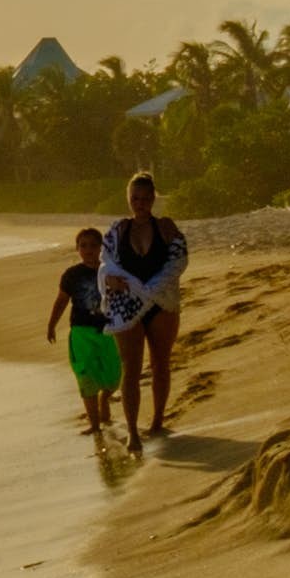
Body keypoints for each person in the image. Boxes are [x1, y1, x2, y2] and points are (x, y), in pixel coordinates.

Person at [100, 172, 187, 453]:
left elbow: (179, 261)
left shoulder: (165, 227)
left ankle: (158, 421)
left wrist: (150, 290)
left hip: (162, 303)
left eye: (145, 198)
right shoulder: (117, 231)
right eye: (135, 198)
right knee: (131, 369)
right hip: (126, 305)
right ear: (129, 199)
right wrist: (107, 280)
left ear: (153, 198)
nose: (140, 203)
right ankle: (133, 433)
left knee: (160, 362)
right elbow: (105, 265)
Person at [45, 226, 120, 435]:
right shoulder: (72, 275)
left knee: (114, 377)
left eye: (93, 245)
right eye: (83, 246)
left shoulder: (110, 270)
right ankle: (94, 425)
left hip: (109, 330)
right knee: (85, 376)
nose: (88, 250)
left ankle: (105, 399)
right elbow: (61, 302)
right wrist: (51, 325)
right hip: (81, 332)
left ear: (101, 247)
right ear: (77, 249)